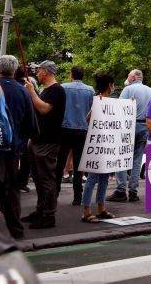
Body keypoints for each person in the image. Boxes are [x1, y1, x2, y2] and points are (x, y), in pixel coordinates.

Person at [21, 60, 66, 229]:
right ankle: (41, 210)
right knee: (39, 179)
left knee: (46, 179)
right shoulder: (47, 90)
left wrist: (32, 92)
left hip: (48, 141)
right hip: (38, 139)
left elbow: (44, 109)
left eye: (38, 70)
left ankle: (48, 215)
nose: (37, 73)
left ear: (46, 71)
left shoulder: (56, 90)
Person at [0, 55, 35, 239]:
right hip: (12, 147)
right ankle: (15, 227)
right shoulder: (22, 91)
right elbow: (31, 124)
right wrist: (20, 144)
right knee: (11, 188)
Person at [107, 69, 151, 203]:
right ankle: (133, 192)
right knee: (137, 159)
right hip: (145, 126)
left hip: (129, 126)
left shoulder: (128, 89)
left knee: (122, 157)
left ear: (134, 77)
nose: (127, 78)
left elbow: (119, 109)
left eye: (128, 75)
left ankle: (120, 190)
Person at [81, 73, 117, 223]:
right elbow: (88, 118)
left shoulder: (112, 102)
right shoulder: (98, 100)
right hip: (97, 145)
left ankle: (101, 208)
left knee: (104, 178)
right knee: (93, 178)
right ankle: (86, 211)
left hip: (107, 144)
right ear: (110, 85)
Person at [56, 66, 95, 206]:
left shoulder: (63, 87)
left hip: (65, 128)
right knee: (79, 164)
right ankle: (78, 196)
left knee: (60, 162)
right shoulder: (90, 90)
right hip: (82, 129)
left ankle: (55, 192)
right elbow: (92, 110)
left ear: (71, 74)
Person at [14, 66, 33, 193]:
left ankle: (12, 180)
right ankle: (22, 182)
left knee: (13, 156)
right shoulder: (29, 88)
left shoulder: (6, 86)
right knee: (25, 157)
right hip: (25, 127)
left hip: (12, 126)